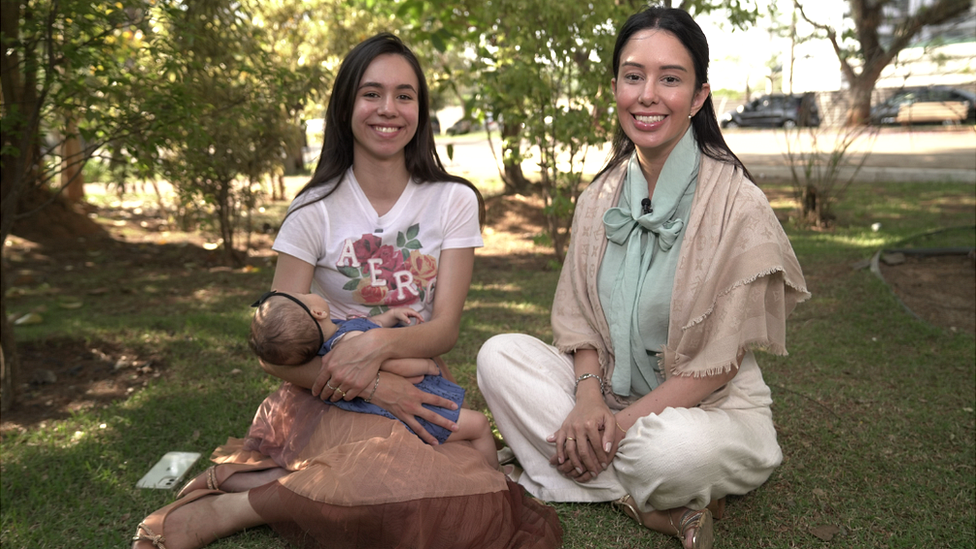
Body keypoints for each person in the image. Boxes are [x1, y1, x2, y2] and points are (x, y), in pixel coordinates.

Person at [132, 33, 560, 549]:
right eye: (371, 92)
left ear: (421, 110)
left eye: (405, 95)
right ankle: (236, 509)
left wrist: (377, 348)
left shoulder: (453, 201)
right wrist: (372, 387)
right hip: (325, 392)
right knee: (389, 486)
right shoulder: (312, 210)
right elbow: (275, 353)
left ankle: (263, 489)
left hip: (416, 384)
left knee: (463, 499)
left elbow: (444, 328)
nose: (389, 109)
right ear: (346, 106)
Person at [477, 7, 809, 549]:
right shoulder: (599, 196)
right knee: (498, 355)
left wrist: (620, 424)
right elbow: (580, 321)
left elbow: (716, 367)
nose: (648, 95)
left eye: (670, 79)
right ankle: (654, 506)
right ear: (616, 88)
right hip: (602, 395)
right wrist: (587, 401)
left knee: (671, 452)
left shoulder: (738, 206)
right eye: (634, 76)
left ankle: (554, 469)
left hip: (708, 413)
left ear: (699, 96)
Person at [248, 289, 498, 468]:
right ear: (317, 311)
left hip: (381, 410)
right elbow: (392, 366)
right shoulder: (350, 343)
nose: (307, 292)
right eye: (303, 296)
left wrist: (388, 318)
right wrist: (424, 363)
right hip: (414, 407)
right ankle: (497, 479)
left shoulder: (335, 336)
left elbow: (367, 325)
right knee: (478, 426)